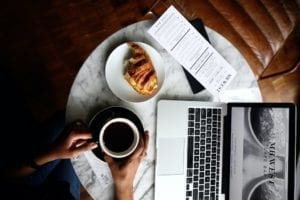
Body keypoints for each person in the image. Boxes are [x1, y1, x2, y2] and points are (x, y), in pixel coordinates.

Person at [0, 68, 149, 200]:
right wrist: (125, 189)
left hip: (22, 185)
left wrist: (53, 153)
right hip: (62, 192)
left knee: (64, 123)